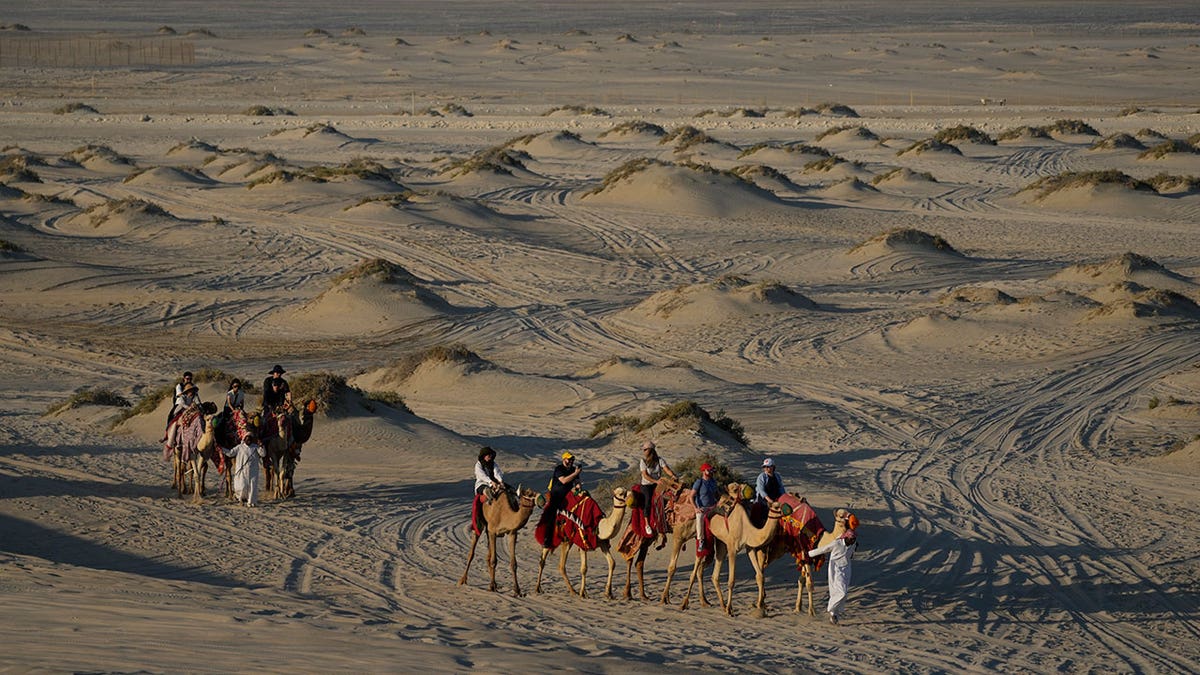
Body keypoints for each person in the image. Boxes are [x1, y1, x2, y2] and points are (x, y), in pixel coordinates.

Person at [808, 518, 858, 625]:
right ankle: (830, 608)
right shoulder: (836, 543)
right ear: (846, 538)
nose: (853, 541)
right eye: (851, 539)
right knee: (841, 592)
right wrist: (808, 555)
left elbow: (851, 553)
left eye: (854, 539)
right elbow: (823, 549)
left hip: (847, 569)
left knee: (842, 593)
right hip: (836, 569)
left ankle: (834, 614)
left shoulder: (853, 544)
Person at [638, 440, 677, 546]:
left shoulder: (659, 460)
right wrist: (656, 481)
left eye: (645, 449)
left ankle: (665, 520)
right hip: (646, 485)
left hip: (657, 484)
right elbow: (645, 475)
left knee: (668, 497)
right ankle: (647, 524)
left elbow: (666, 469)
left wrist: (672, 475)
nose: (644, 451)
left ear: (650, 450)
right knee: (648, 502)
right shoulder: (643, 461)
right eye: (644, 450)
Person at [222, 432, 266, 506]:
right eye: (247, 438)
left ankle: (251, 502)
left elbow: (263, 454)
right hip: (241, 471)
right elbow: (230, 453)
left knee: (252, 487)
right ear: (244, 439)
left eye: (249, 439)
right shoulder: (239, 447)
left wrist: (261, 446)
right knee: (241, 486)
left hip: (253, 471)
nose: (248, 440)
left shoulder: (256, 447)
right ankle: (240, 499)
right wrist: (222, 449)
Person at [691, 462, 719, 554]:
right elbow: (691, 496)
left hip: (713, 507)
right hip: (703, 508)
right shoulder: (699, 482)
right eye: (709, 470)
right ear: (703, 471)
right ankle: (701, 540)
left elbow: (717, 494)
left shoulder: (713, 482)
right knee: (699, 518)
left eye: (711, 470)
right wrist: (696, 508)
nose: (711, 472)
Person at [161, 371, 194, 440]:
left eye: (190, 379)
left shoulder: (193, 386)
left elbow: (196, 397)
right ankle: (167, 434)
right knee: (171, 416)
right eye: (187, 379)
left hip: (190, 405)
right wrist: (186, 392)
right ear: (184, 379)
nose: (189, 380)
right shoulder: (179, 386)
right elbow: (179, 395)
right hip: (180, 404)